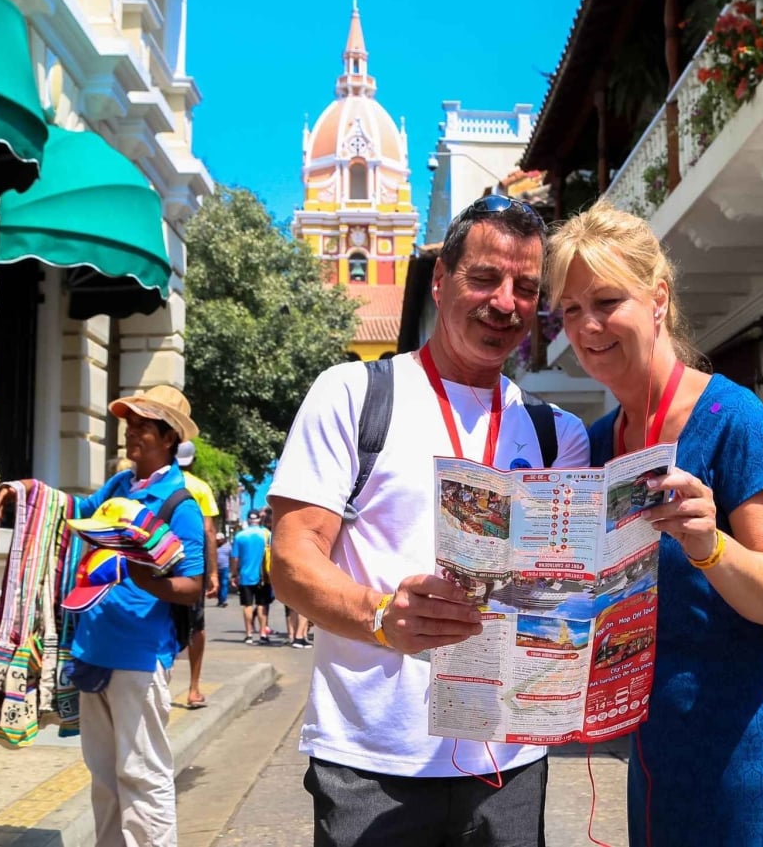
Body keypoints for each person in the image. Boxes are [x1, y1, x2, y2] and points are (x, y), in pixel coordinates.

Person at [268, 194, 589, 847]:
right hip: (372, 763)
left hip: (509, 762)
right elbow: (293, 559)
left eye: (526, 288)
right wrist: (380, 615)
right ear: (440, 280)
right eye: (485, 278)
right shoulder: (353, 394)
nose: (505, 302)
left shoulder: (560, 434)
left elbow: (565, 589)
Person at [546, 203, 763, 847]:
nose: (587, 326)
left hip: (762, 759)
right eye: (570, 310)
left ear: (658, 298)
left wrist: (711, 546)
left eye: (607, 301)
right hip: (659, 758)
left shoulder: (735, 419)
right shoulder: (595, 445)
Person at [58, 385, 205, 847]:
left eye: (143, 426)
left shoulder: (179, 504)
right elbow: (80, 513)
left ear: (169, 437)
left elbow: (192, 586)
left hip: (139, 654)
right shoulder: (120, 486)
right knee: (104, 778)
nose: (131, 433)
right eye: (129, 424)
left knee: (142, 775)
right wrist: (33, 492)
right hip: (94, 646)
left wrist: (145, 580)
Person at [176, 440, 220, 709]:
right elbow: (208, 531)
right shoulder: (200, 487)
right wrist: (213, 572)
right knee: (196, 626)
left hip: (160, 561)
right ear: (192, 460)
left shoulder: (162, 483)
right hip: (192, 565)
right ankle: (193, 689)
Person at [231, 511, 271, 644]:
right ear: (259, 520)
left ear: (248, 520)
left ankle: (249, 634)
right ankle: (262, 633)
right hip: (263, 576)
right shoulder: (266, 534)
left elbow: (235, 558)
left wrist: (234, 574)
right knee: (262, 605)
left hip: (245, 576)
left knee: (247, 605)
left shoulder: (240, 536)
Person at [215, 531, 232, 606]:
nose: (217, 541)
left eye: (219, 540)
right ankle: (220, 600)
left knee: (224, 583)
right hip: (216, 569)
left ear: (223, 539)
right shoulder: (215, 546)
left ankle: (223, 600)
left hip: (225, 568)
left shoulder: (228, 547)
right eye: (217, 540)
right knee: (218, 585)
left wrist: (232, 568)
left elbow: (231, 557)